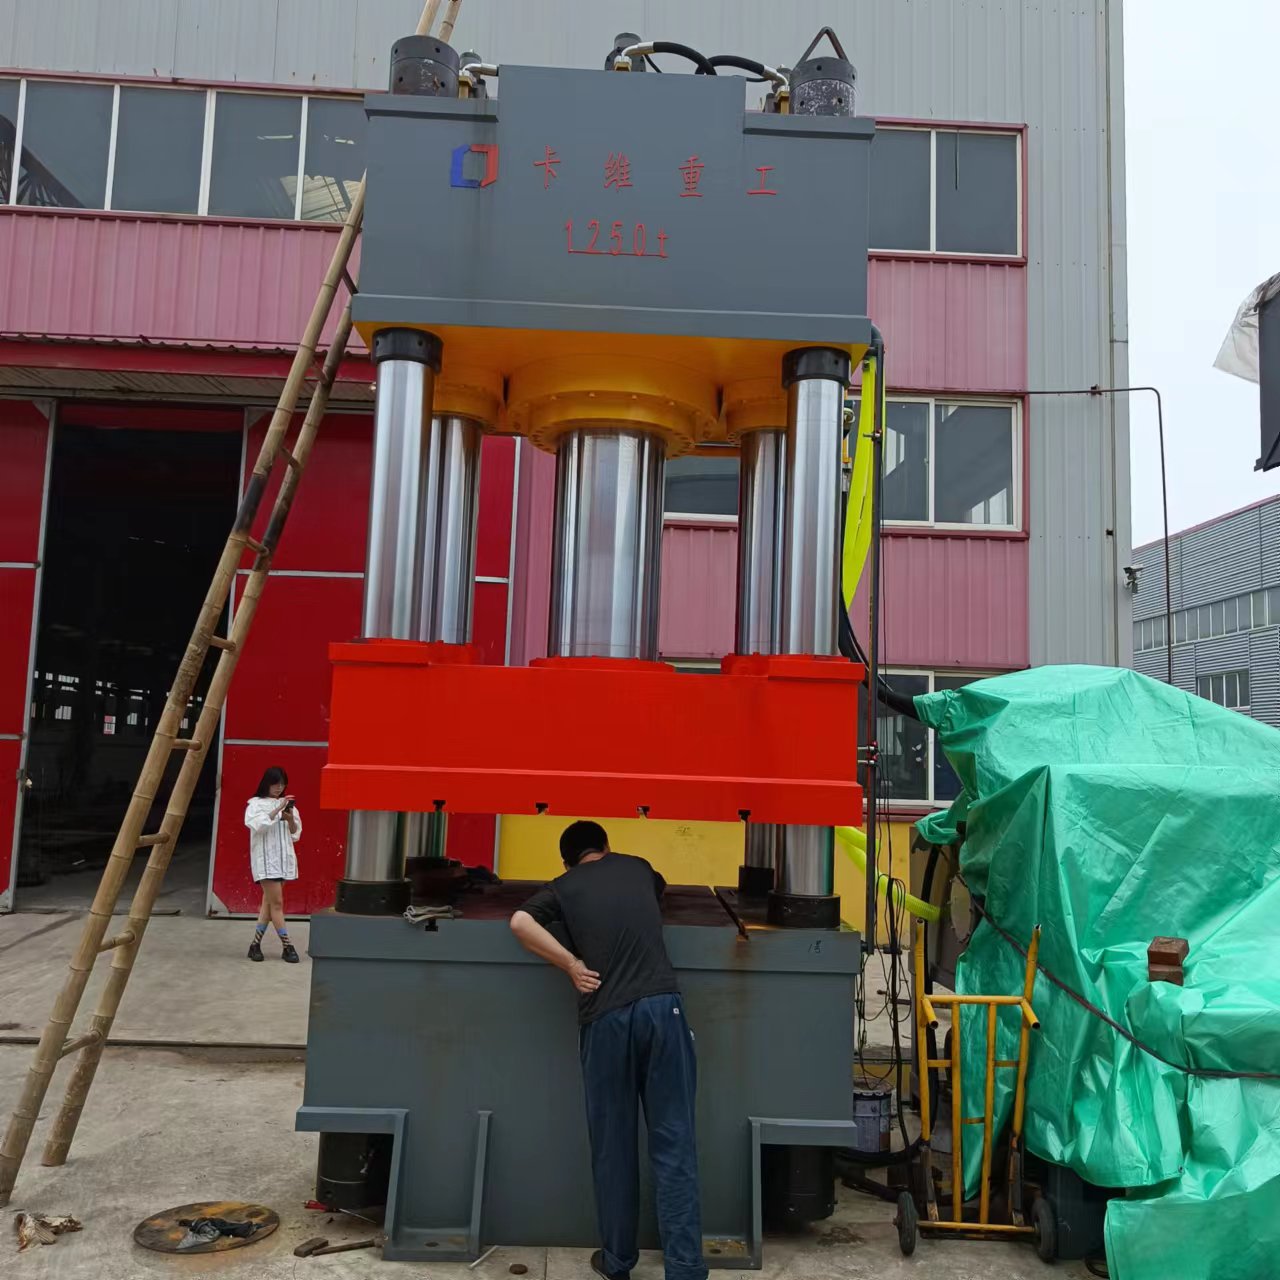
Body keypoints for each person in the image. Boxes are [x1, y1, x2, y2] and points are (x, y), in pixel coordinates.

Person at [510, 821, 706, 1280]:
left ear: (567, 861)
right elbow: (656, 893)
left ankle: (617, 1262)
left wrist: (572, 964)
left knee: (613, 1147)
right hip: (662, 1009)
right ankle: (685, 1267)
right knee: (675, 1142)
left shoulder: (562, 886)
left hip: (606, 1018)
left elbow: (519, 921)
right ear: (607, 847)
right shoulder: (639, 868)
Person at [244, 766, 301, 963]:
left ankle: (255, 945)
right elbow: (258, 826)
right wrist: (277, 810)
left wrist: (289, 818)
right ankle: (287, 946)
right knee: (277, 904)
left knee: (268, 904)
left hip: (283, 860)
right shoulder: (255, 804)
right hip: (266, 861)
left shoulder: (288, 805)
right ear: (266, 783)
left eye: (282, 784)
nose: (279, 788)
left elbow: (295, 833)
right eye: (275, 784)